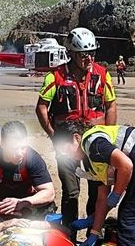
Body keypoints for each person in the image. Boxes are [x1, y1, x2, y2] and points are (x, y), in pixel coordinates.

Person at [35, 27, 118, 234]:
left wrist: (108, 136)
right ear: (72, 53)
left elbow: (111, 105)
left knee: (96, 191)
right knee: (71, 191)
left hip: (95, 143)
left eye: (92, 53)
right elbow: (41, 107)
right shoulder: (55, 77)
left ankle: (93, 232)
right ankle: (68, 235)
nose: (88, 58)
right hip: (65, 142)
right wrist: (52, 134)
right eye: (83, 54)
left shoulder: (102, 75)